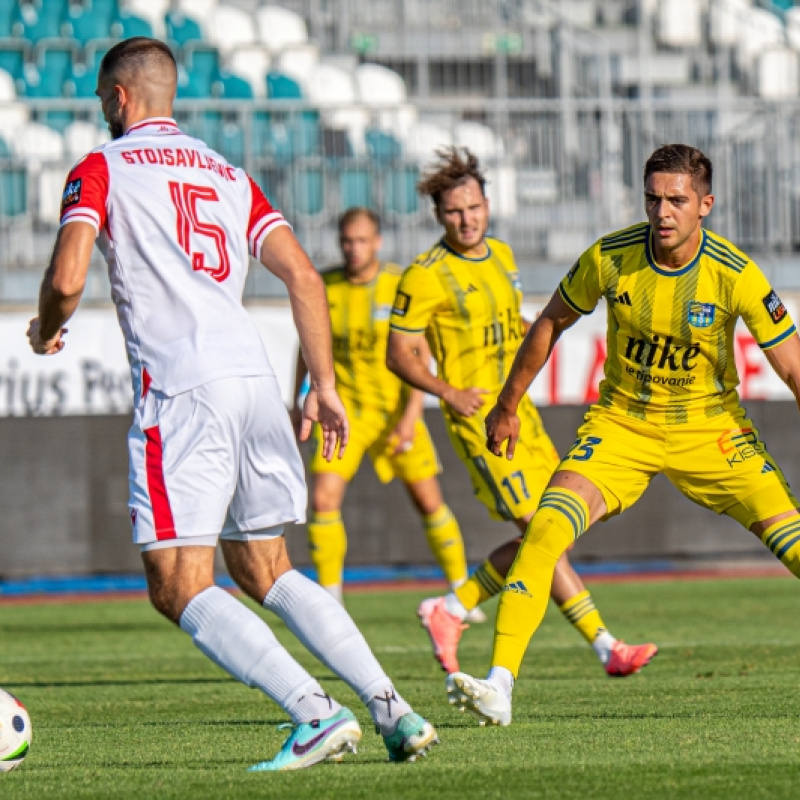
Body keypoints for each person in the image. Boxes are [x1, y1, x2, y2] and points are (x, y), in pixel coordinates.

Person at [26, 37, 437, 769]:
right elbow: (306, 278)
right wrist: (325, 386)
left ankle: (314, 712)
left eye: (99, 101)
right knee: (267, 567)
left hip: (183, 387)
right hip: (253, 381)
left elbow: (66, 279)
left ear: (119, 98)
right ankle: (392, 707)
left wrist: (46, 328)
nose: (100, 112)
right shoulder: (226, 172)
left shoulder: (102, 167)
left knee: (178, 584)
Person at [447, 142, 800, 726]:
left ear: (705, 205)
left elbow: (790, 364)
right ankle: (499, 685)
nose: (662, 212)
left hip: (711, 430)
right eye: (653, 199)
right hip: (622, 426)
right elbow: (551, 322)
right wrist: (508, 403)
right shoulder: (610, 257)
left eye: (677, 201)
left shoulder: (735, 273)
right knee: (546, 528)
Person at [385, 146, 657, 678]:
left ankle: (455, 606)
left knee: (554, 529)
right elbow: (398, 353)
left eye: (473, 208)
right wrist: (447, 391)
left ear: (488, 204)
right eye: (453, 212)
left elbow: (513, 324)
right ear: (439, 216)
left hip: (519, 412)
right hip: (479, 421)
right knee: (541, 529)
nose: (465, 220)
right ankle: (605, 647)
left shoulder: (504, 257)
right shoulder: (424, 275)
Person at [291, 206, 484, 620]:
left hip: (397, 411)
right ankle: (331, 599)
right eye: (347, 241)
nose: (354, 249)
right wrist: (298, 401)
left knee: (429, 501)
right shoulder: (324, 286)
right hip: (346, 416)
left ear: (376, 242)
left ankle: (460, 593)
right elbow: (305, 349)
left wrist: (412, 414)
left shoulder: (399, 284)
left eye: (362, 240)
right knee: (323, 498)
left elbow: (421, 355)